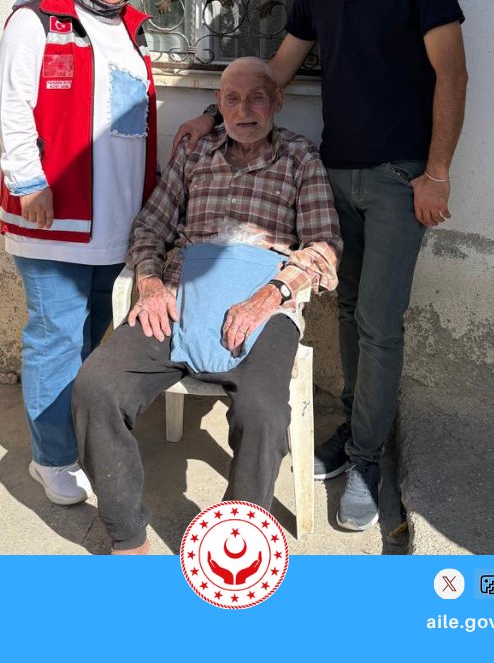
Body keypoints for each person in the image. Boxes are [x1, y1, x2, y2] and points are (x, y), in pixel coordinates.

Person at [173, 0, 467, 532]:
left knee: (380, 324)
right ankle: (356, 434)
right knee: (350, 310)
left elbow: (452, 74)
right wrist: (212, 117)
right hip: (336, 174)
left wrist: (437, 172)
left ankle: (366, 458)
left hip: (400, 180)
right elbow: (275, 73)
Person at [73, 57, 341, 554]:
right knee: (97, 386)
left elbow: (324, 246)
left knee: (263, 413)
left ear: (277, 102)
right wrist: (150, 282)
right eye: (232, 99)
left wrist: (268, 297)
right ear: (218, 104)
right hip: (179, 293)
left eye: (256, 98)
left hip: (262, 303)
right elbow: (150, 227)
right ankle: (127, 537)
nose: (244, 110)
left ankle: (236, 537)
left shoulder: (300, 158)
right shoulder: (195, 153)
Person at [0, 0, 157, 506]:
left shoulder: (130, 28)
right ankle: (52, 459)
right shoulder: (38, 20)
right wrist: (29, 182)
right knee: (56, 338)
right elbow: (11, 105)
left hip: (113, 219)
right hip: (53, 215)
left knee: (90, 338)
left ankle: (75, 436)